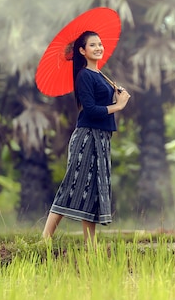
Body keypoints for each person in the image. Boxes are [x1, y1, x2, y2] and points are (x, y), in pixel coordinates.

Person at [41, 30, 131, 245]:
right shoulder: (84, 75)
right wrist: (118, 106)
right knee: (72, 184)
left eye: (100, 44)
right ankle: (45, 239)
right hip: (87, 136)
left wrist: (116, 96)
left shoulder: (99, 75)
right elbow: (90, 110)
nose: (98, 47)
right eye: (93, 45)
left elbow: (100, 106)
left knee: (92, 192)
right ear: (82, 50)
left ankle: (91, 247)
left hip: (102, 137)